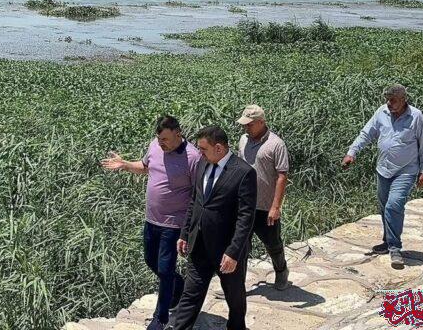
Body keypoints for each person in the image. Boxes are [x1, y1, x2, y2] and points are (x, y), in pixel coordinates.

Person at [102, 115, 201, 330]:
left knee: (165, 269)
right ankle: (178, 286)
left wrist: (189, 228)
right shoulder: (155, 146)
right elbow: (145, 166)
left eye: (165, 139)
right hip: (152, 219)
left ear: (178, 134)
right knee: (150, 261)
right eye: (158, 138)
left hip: (173, 223)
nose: (161, 143)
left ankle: (161, 317)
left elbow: (198, 193)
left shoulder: (192, 157)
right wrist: (125, 164)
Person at [166, 125, 257, 330]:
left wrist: (234, 252)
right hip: (199, 244)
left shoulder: (244, 173)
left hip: (226, 251)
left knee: (234, 296)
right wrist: (185, 234)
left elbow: (245, 218)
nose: (199, 153)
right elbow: (195, 201)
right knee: (191, 294)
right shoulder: (202, 164)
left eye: (203, 149)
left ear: (218, 148)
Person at [341, 84, 423, 269]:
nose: (389, 104)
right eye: (387, 100)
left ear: (403, 100)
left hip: (406, 170)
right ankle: (387, 240)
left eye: (393, 100)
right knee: (384, 208)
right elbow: (367, 133)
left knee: (394, 205)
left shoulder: (416, 116)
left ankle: (395, 248)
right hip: (383, 169)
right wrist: (352, 152)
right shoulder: (381, 112)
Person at [236, 104, 290, 289]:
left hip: (265, 206)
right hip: (244, 204)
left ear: (261, 122)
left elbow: (282, 176)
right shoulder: (243, 140)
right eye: (244, 124)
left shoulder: (276, 144)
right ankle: (236, 283)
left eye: (249, 124)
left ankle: (281, 271)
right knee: (240, 245)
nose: (246, 128)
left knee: (272, 243)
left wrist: (275, 207)